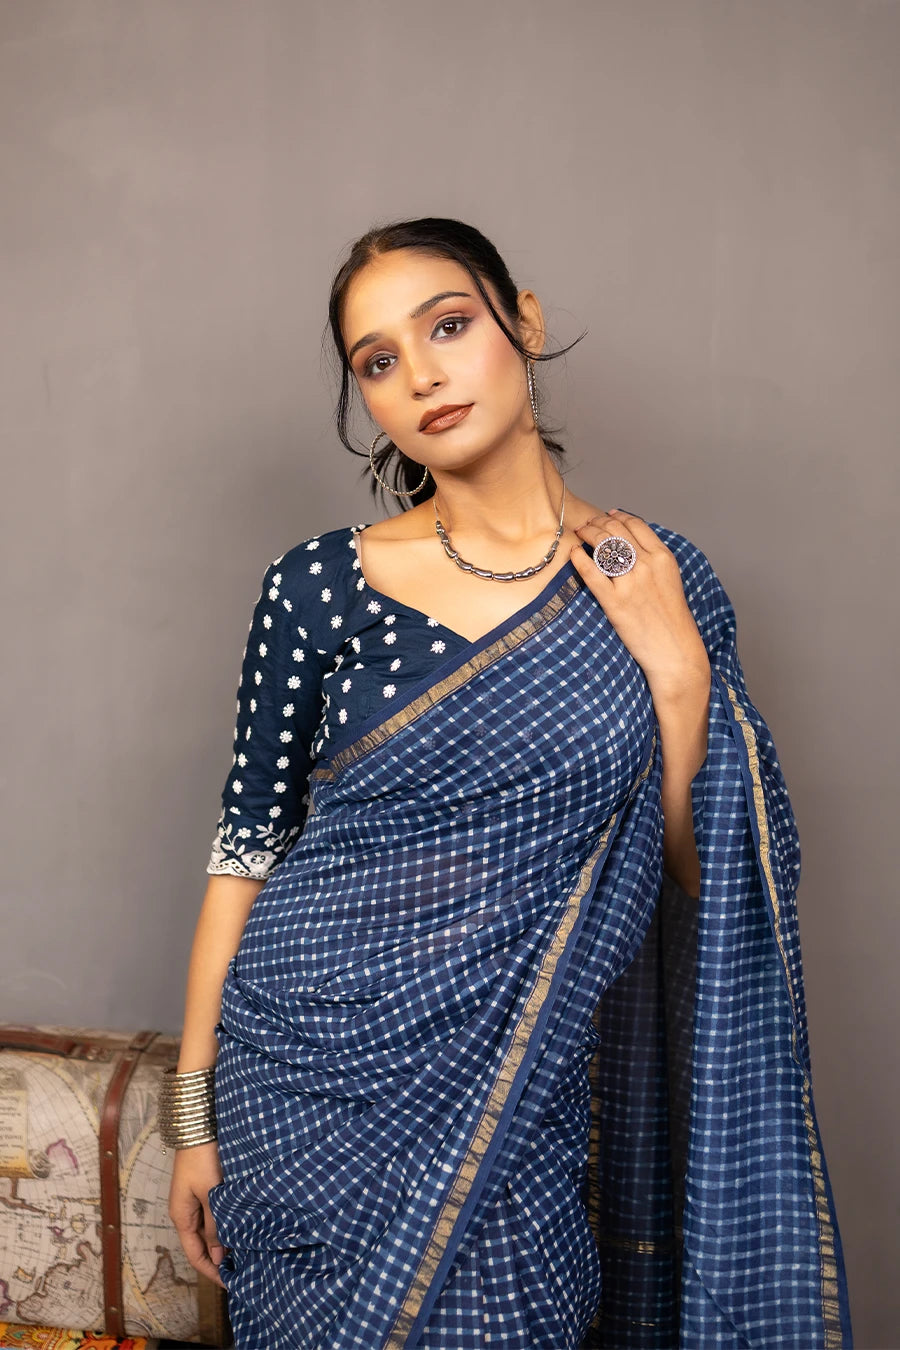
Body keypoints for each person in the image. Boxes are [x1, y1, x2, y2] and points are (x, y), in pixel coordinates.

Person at [165, 218, 853, 1349]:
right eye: (378, 361)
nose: (422, 374)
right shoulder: (317, 587)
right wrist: (195, 1117)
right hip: (297, 1075)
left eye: (449, 325)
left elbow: (698, 871)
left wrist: (676, 671)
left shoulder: (657, 577)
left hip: (511, 1080)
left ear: (520, 321)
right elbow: (244, 853)